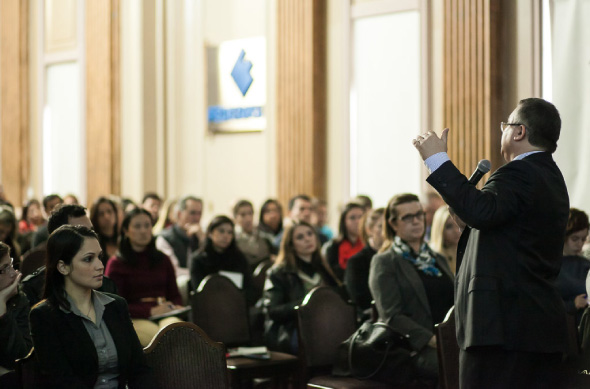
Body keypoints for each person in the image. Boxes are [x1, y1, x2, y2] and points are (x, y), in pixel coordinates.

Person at [413, 97, 569, 388]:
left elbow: (483, 211)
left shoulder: (520, 172)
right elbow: (502, 226)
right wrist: (470, 223)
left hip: (506, 330)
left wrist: (437, 159)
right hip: (531, 327)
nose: (502, 131)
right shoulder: (548, 175)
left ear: (519, 132)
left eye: (505, 125)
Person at [29, 225, 156, 388]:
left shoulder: (116, 306)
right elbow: (62, 382)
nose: (100, 265)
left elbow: (140, 370)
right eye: (88, 259)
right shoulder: (45, 316)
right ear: (63, 267)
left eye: (99, 257)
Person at [369, 193, 453, 383]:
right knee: (453, 366)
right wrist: (430, 340)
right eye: (408, 217)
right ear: (393, 223)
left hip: (447, 339)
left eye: (419, 214)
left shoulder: (436, 258)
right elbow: (391, 316)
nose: (416, 221)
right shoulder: (385, 262)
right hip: (412, 347)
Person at [105, 208, 184, 347]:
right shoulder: (117, 263)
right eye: (137, 226)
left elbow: (175, 295)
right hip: (135, 317)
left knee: (178, 331)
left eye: (147, 225)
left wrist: (173, 306)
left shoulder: (163, 259)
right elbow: (114, 305)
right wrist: (149, 311)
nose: (143, 230)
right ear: (126, 230)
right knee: (158, 341)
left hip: (164, 313)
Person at [263, 221, 340, 354]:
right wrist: (307, 304)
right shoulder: (279, 273)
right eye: (300, 237)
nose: (307, 239)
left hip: (327, 324)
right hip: (293, 329)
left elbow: (341, 298)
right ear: (291, 245)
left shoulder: (324, 268)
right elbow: (273, 311)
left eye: (310, 234)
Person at [21, 204, 118, 308]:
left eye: (90, 231)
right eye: (80, 232)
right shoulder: (32, 288)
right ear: (58, 239)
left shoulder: (106, 285)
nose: (90, 237)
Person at [190, 215, 256, 305]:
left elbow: (249, 288)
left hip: (237, 305)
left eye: (230, 232)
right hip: (209, 306)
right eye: (221, 231)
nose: (226, 236)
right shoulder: (199, 260)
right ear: (210, 233)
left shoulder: (238, 257)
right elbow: (199, 291)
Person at [345, 207, 384, 321]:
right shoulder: (357, 261)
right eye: (381, 227)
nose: (387, 232)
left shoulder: (398, 257)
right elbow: (361, 302)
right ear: (369, 230)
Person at [0, 242, 31, 380]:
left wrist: (2, 308)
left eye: (11, 264)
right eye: (5, 268)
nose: (14, 273)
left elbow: (22, 357)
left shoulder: (18, 300)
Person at [156, 195, 204, 279]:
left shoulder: (200, 236)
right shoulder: (165, 238)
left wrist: (203, 240)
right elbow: (172, 270)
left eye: (199, 213)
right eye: (192, 213)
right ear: (179, 214)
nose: (197, 218)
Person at [556, 208, 590, 324]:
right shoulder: (551, 266)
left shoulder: (586, 264)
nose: (580, 244)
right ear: (564, 236)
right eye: (575, 239)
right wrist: (572, 304)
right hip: (563, 328)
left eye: (583, 239)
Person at [323, 201, 365, 281]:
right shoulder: (333, 246)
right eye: (352, 218)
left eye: (361, 217)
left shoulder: (368, 245)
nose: (358, 221)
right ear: (344, 221)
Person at [233, 200, 276, 270]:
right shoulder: (233, 239)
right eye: (243, 215)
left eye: (250, 213)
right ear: (235, 218)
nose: (248, 219)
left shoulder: (263, 236)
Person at [428, 206, 461, 274]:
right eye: (449, 226)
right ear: (439, 230)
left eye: (459, 224)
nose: (456, 230)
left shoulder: (472, 251)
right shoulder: (433, 259)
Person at [90, 196, 119, 263]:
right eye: (101, 214)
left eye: (109, 211)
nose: (106, 216)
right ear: (95, 218)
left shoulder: (123, 240)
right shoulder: (93, 243)